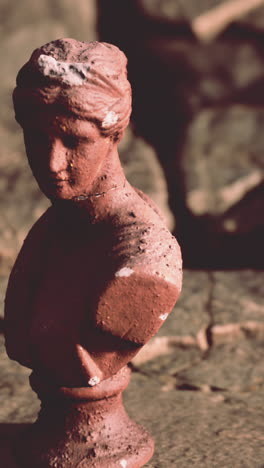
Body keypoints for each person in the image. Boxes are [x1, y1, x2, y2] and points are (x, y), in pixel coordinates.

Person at [5, 39, 182, 389]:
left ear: (113, 134)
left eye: (75, 142)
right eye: (39, 139)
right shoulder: (56, 225)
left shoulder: (145, 260)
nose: (53, 163)